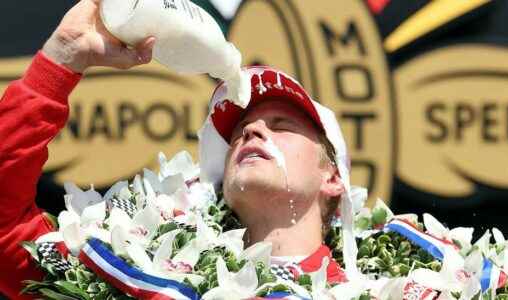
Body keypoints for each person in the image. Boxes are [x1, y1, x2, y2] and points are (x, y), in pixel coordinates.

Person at [0, 0, 353, 298]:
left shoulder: (388, 289)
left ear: (333, 176)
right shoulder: (127, 271)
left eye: (281, 125)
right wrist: (63, 56)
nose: (252, 130)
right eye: (239, 132)